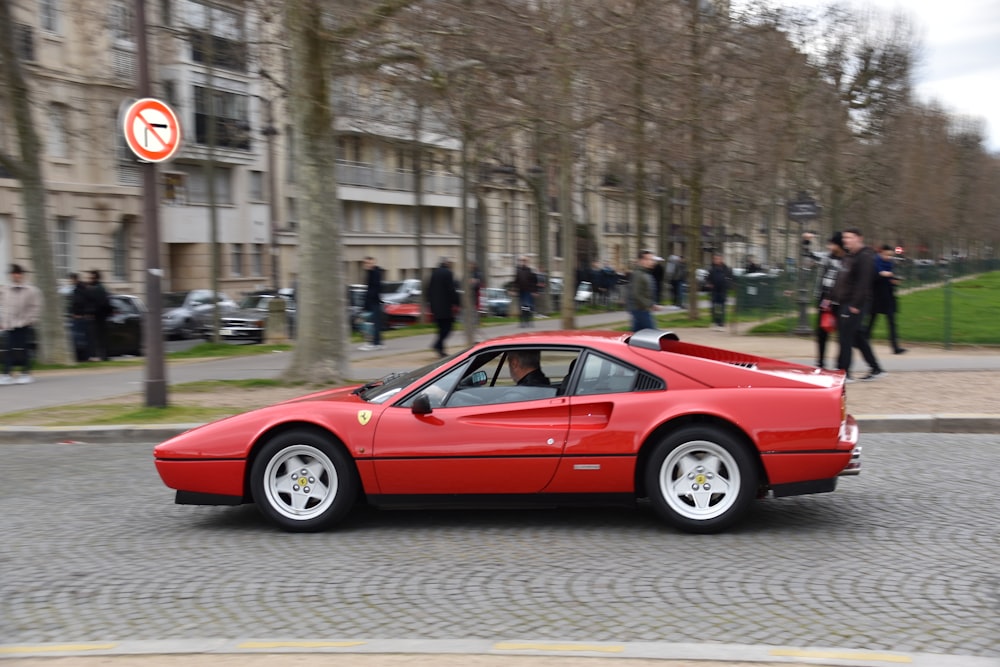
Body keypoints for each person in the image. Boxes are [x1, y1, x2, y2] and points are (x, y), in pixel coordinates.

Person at [831, 227, 885, 382]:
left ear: (859, 238)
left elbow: (864, 282)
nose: (846, 240)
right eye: (845, 238)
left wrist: (855, 304)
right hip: (846, 301)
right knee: (857, 336)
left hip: (854, 303)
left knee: (845, 338)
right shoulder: (850, 256)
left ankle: (844, 371)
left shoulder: (865, 257)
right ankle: (875, 368)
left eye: (849, 237)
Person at [0, 264, 43, 384]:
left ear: (22, 275)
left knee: (24, 349)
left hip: (24, 323)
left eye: (18, 273)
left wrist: (31, 320)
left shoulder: (31, 290)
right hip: (10, 324)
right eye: (13, 274)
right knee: (8, 349)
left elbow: (35, 307)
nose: (16, 276)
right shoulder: (5, 289)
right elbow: (4, 307)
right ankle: (6, 374)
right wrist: (3, 321)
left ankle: (26, 373)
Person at [811, 232, 846, 369]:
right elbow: (810, 255)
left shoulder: (847, 260)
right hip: (825, 299)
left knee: (841, 333)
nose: (829, 246)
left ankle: (840, 363)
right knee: (821, 331)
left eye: (832, 244)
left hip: (839, 300)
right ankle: (821, 362)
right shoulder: (827, 258)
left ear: (839, 245)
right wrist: (807, 242)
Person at [867, 244, 906, 355]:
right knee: (871, 322)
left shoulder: (889, 264)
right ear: (881, 253)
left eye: (890, 255)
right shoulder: (874, 263)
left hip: (888, 296)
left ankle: (895, 347)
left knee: (892, 322)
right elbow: (873, 277)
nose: (888, 257)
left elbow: (889, 278)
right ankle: (863, 341)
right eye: (887, 255)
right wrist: (883, 275)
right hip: (877, 297)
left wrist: (893, 281)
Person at [426, 257, 459, 358]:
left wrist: (431, 304)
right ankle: (437, 345)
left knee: (441, 328)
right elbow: (450, 289)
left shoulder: (434, 273)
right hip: (445, 306)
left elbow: (429, 289)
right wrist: (457, 301)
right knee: (448, 328)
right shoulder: (448, 273)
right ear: (447, 264)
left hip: (435, 307)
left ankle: (440, 349)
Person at [359, 256, 384, 351]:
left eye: (369, 263)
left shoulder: (375, 273)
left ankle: (374, 343)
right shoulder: (372, 273)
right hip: (373, 301)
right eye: (366, 263)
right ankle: (377, 342)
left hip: (374, 301)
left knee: (372, 323)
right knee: (374, 323)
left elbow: (374, 289)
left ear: (373, 263)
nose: (367, 265)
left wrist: (368, 302)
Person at [628, 250, 657, 332]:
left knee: (635, 335)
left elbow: (647, 292)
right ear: (642, 260)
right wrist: (649, 304)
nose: (651, 262)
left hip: (641, 309)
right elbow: (636, 294)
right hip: (640, 309)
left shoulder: (645, 273)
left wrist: (652, 304)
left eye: (652, 259)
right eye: (649, 259)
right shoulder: (638, 274)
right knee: (653, 335)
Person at [87, 269, 112, 361]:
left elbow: (100, 303)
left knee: (99, 337)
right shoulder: (99, 287)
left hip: (99, 316)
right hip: (101, 316)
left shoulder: (98, 289)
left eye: (91, 277)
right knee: (100, 336)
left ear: (95, 278)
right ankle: (103, 356)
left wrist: (92, 312)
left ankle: (102, 356)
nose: (89, 279)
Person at [68, 272, 92, 362]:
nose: (70, 281)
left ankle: (81, 357)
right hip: (83, 316)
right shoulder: (84, 288)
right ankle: (85, 357)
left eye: (71, 279)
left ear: (74, 279)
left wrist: (76, 313)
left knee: (79, 338)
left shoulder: (78, 289)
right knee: (83, 338)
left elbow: (78, 302)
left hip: (79, 316)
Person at [706, 254, 732, 331]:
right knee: (714, 307)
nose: (716, 260)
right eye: (715, 259)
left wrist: (727, 284)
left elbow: (730, 278)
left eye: (718, 259)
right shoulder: (711, 269)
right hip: (714, 290)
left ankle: (721, 322)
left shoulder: (726, 269)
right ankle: (715, 321)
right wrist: (709, 284)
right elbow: (708, 278)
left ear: (721, 259)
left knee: (722, 307)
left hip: (722, 290)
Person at [514, 256, 537, 327]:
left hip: (528, 291)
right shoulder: (518, 271)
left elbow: (534, 282)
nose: (523, 262)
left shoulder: (530, 271)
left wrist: (534, 291)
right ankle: (522, 322)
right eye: (522, 261)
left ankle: (528, 321)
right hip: (521, 291)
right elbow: (516, 281)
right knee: (522, 307)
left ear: (527, 262)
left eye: (525, 261)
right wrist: (514, 290)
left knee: (528, 306)